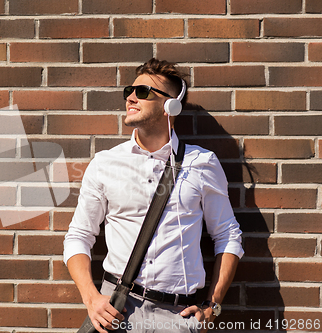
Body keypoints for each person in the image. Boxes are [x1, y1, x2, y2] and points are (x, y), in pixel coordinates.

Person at [63, 58, 244, 333]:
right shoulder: (105, 163)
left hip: (178, 317)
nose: (131, 97)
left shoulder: (202, 163)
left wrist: (212, 306)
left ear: (170, 105)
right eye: (129, 91)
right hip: (116, 312)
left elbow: (228, 235)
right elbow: (78, 235)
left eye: (144, 92)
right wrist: (91, 298)